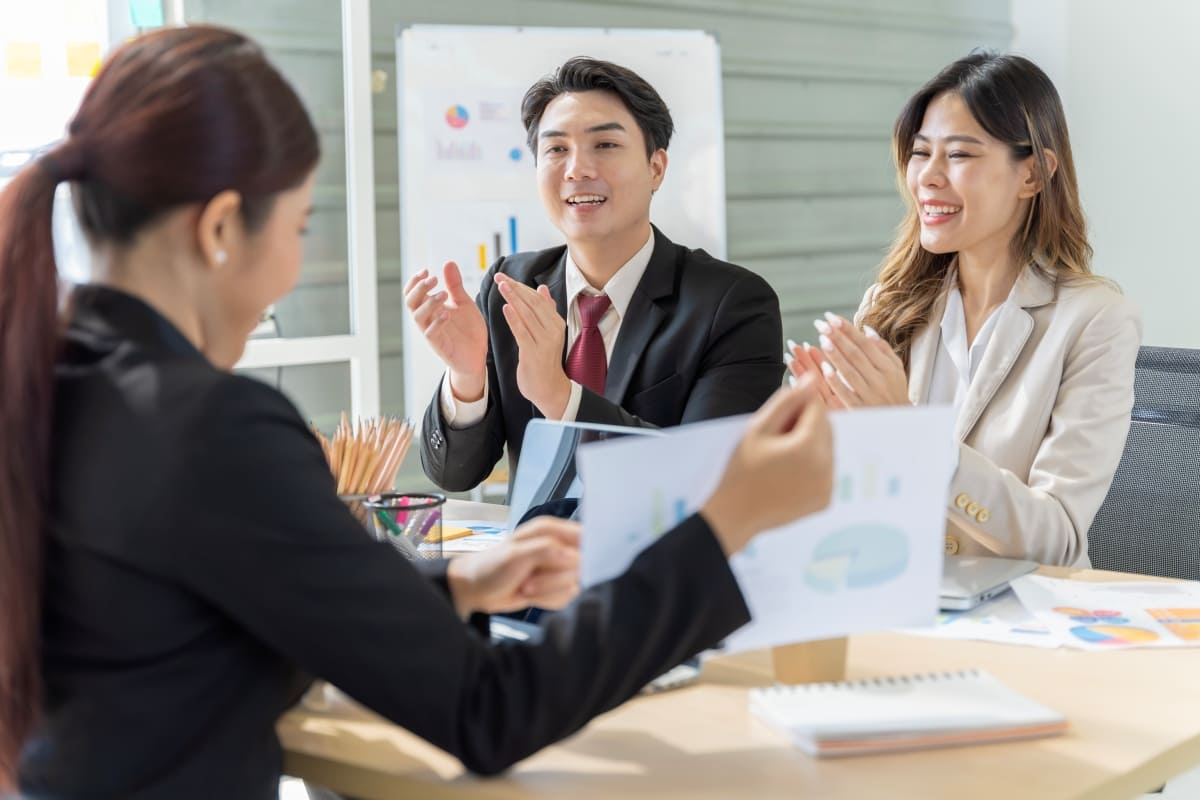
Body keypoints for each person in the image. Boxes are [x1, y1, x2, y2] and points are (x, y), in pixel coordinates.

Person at [0, 27, 833, 798]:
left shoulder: (44, 385)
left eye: (604, 144)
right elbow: (491, 708)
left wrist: (456, 583)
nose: (293, 270)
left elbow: (228, 603)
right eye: (300, 226)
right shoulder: (215, 428)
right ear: (221, 228)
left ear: (657, 164)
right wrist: (729, 519)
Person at [789, 52, 1141, 567]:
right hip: (896, 589)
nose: (928, 177)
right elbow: (849, 504)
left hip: (1026, 604)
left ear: (1033, 174)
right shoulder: (889, 304)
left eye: (958, 155)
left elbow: (1057, 540)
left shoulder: (1095, 320)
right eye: (920, 153)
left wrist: (909, 433)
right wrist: (825, 436)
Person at [407, 57, 784, 493]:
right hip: (534, 540)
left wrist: (558, 395)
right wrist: (467, 377)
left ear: (656, 168)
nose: (577, 169)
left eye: (604, 145)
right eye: (556, 149)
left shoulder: (733, 304)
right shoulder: (510, 287)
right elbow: (455, 474)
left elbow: (705, 476)